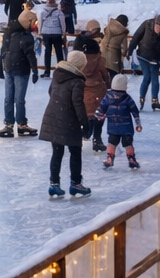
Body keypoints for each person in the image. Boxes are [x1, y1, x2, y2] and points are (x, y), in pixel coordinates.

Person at [40, 52, 91, 198]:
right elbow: (78, 104)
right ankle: (75, 184)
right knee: (75, 151)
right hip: (69, 120)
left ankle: (54, 184)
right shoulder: (77, 81)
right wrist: (84, 123)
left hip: (53, 116)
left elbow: (51, 92)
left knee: (57, 152)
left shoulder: (57, 75)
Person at [0, 9, 38, 138]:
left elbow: (3, 51)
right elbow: (30, 54)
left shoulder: (8, 32)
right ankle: (20, 124)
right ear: (28, 22)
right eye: (33, 22)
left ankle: (10, 124)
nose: (35, 25)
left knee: (9, 98)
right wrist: (35, 70)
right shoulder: (26, 36)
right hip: (20, 70)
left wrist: (1, 65)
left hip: (9, 68)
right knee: (18, 99)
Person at [96, 74, 143, 169]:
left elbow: (101, 107)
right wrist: (138, 123)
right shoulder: (127, 98)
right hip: (126, 128)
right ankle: (131, 159)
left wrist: (98, 115)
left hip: (113, 127)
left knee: (112, 142)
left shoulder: (108, 97)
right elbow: (135, 111)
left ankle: (110, 158)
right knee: (128, 143)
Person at [127, 14, 160, 110]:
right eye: (157, 27)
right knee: (147, 77)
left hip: (155, 58)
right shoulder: (147, 24)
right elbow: (136, 36)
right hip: (143, 55)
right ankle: (141, 99)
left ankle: (154, 101)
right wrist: (130, 51)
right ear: (154, 23)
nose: (159, 29)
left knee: (155, 80)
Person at [81, 38, 112, 152]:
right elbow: (105, 75)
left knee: (86, 114)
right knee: (99, 116)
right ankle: (97, 140)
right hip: (98, 93)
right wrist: (107, 86)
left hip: (84, 92)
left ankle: (85, 133)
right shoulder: (100, 60)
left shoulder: (81, 60)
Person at [38, 0, 67, 78]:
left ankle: (47, 71)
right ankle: (61, 70)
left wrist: (40, 32)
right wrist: (63, 32)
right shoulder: (59, 12)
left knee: (47, 52)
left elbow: (40, 22)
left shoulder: (43, 12)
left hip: (46, 33)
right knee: (59, 51)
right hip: (56, 33)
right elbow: (62, 23)